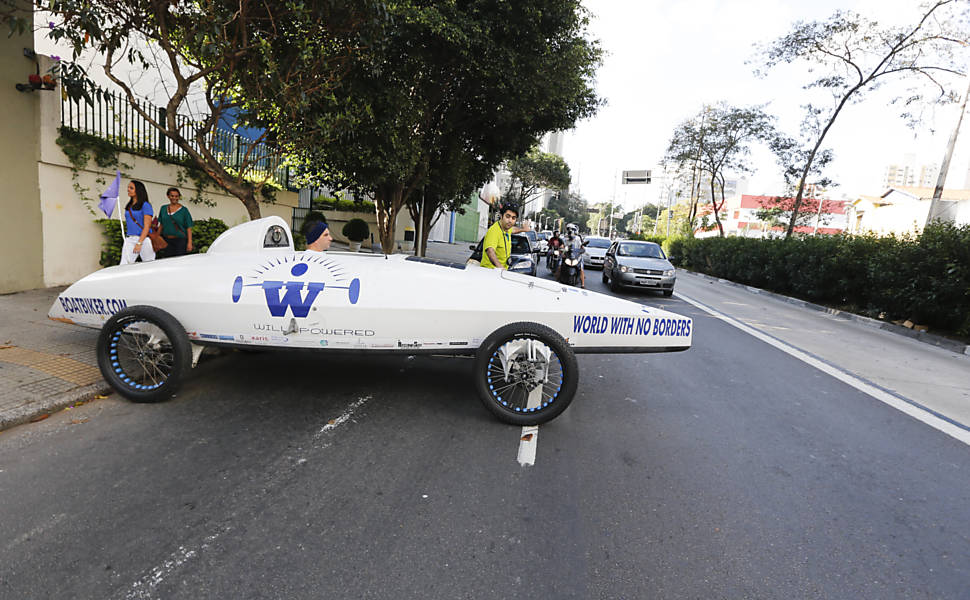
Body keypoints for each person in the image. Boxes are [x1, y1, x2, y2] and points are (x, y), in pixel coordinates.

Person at [120, 180, 155, 265]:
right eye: (128, 187)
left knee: (149, 265)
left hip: (144, 239)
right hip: (130, 239)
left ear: (138, 190)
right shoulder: (129, 206)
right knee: (124, 265)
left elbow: (147, 226)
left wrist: (139, 242)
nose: (128, 189)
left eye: (131, 188)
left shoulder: (145, 205)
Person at [156, 187, 193, 258]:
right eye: (172, 196)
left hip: (180, 241)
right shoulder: (163, 208)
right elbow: (161, 225)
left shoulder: (184, 210)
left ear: (179, 197)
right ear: (168, 196)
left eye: (176, 196)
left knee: (179, 262)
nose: (174, 198)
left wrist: (189, 243)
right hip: (166, 240)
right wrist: (157, 238)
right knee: (167, 261)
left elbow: (188, 227)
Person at [481, 203, 520, 270]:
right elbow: (490, 251)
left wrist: (524, 229)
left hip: (502, 272)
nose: (510, 221)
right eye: (507, 216)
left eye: (513, 218)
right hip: (490, 272)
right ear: (501, 216)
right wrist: (500, 267)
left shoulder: (507, 229)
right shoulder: (494, 230)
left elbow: (513, 230)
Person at [559, 223, 586, 288]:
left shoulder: (578, 239)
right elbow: (562, 247)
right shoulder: (565, 239)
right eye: (568, 229)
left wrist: (582, 250)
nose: (570, 231)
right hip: (567, 257)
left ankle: (582, 284)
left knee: (581, 269)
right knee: (559, 266)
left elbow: (582, 247)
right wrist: (561, 251)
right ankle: (558, 280)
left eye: (572, 229)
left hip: (577, 257)